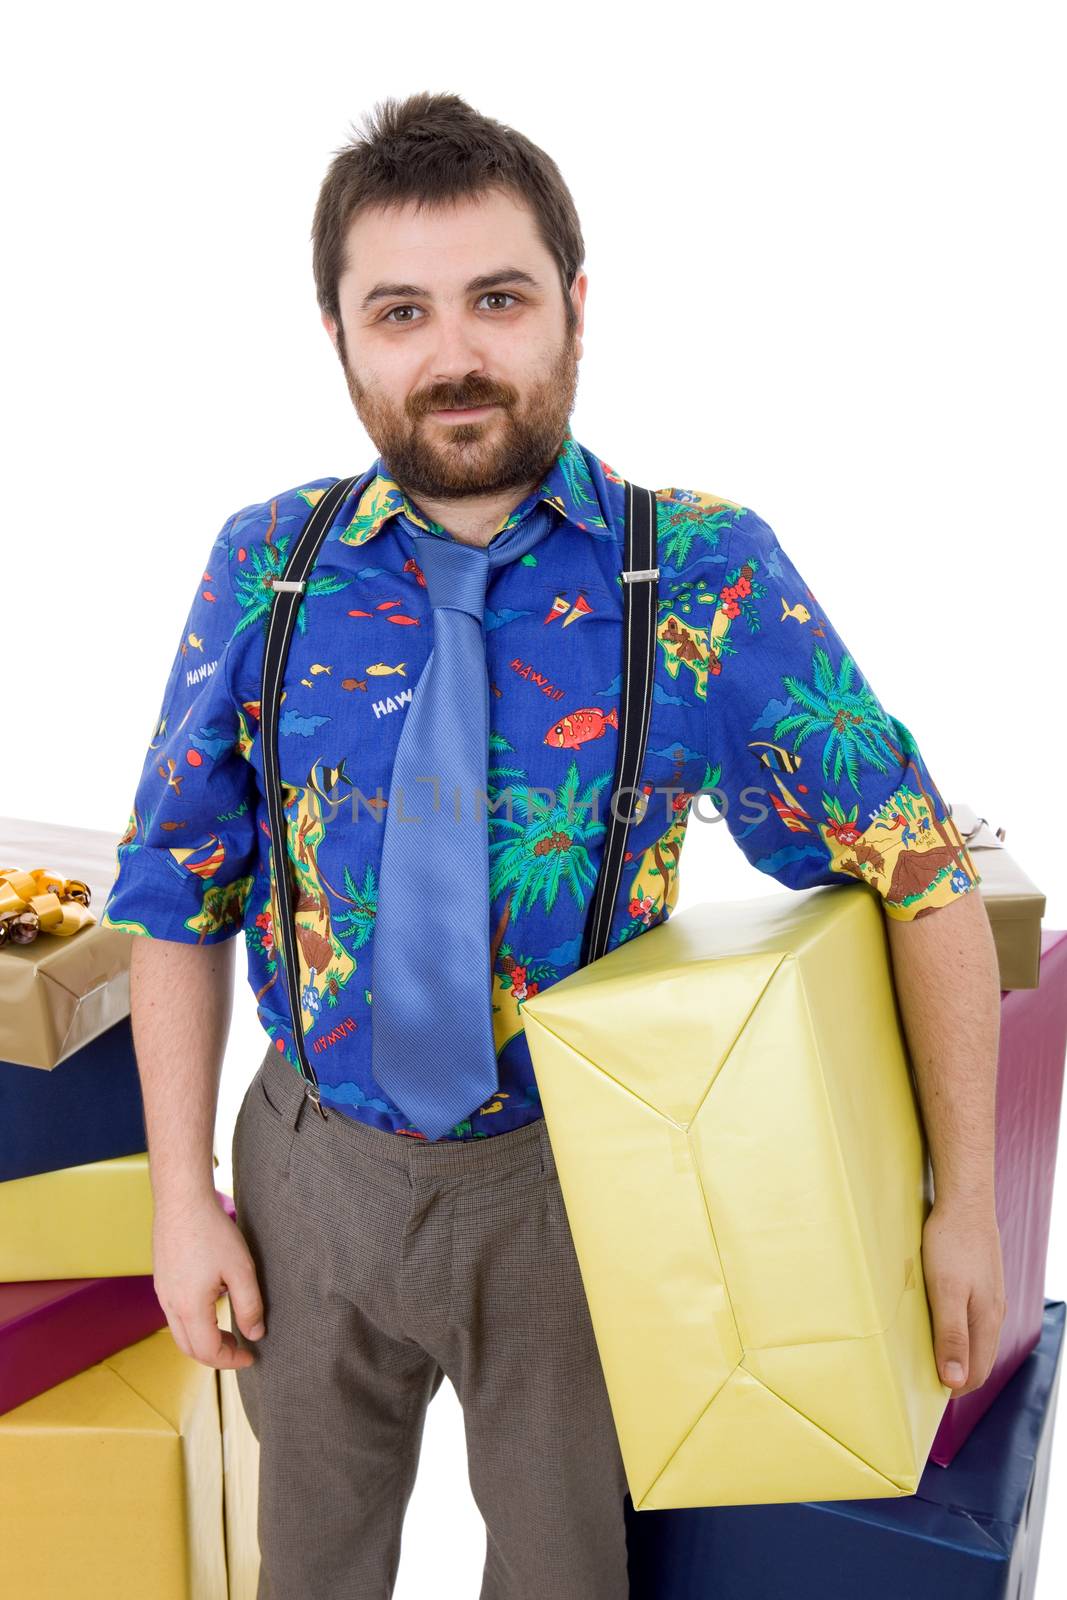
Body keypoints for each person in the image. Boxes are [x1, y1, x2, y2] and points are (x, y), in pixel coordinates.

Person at [101, 90, 1006, 1599]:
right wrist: (180, 1199)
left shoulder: (700, 574)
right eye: (399, 310)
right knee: (306, 1570)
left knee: (570, 1575)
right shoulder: (269, 565)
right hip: (307, 1178)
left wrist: (959, 1203)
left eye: (497, 299)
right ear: (340, 334)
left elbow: (919, 873)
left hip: (582, 1200)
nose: (453, 354)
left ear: (573, 309)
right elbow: (178, 893)